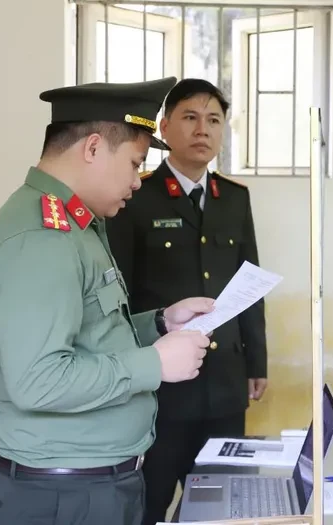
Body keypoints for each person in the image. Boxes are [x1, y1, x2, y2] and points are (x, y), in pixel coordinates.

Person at [0, 76, 217, 525]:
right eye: (134, 163)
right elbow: (39, 380)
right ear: (91, 148)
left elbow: (88, 333)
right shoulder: (41, 238)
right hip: (63, 496)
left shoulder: (77, 225)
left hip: (89, 485)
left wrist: (161, 323)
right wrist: (154, 364)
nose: (138, 181)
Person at [105, 78, 268, 524]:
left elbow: (248, 285)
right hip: (161, 388)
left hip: (226, 384)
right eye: (190, 118)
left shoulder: (234, 199)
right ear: (164, 126)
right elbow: (118, 292)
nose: (203, 129)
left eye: (214, 120)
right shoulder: (135, 196)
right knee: (151, 500)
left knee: (224, 503)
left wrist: (257, 362)